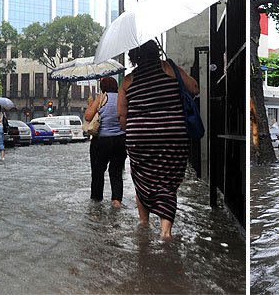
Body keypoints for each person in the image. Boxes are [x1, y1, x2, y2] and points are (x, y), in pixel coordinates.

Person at [118, 40, 199, 241]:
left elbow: (122, 117)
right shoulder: (171, 69)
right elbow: (195, 88)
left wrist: (134, 132)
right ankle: (165, 232)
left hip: (140, 138)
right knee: (167, 182)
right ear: (156, 51)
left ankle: (144, 223)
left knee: (142, 179)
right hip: (173, 136)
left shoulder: (128, 81)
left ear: (134, 57)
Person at [84, 77, 127, 208]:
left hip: (102, 141)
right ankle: (116, 201)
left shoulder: (102, 97)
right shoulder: (122, 98)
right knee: (116, 172)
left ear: (103, 87)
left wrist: (91, 104)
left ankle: (97, 203)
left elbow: (88, 116)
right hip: (121, 141)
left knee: (98, 172)